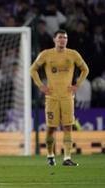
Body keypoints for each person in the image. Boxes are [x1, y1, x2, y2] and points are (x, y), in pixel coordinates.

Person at [30, 29, 89, 166]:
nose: (63, 40)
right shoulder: (46, 54)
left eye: (65, 38)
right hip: (52, 97)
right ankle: (50, 155)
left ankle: (67, 158)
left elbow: (85, 69)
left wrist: (77, 85)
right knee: (51, 128)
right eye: (60, 37)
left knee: (68, 127)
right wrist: (40, 86)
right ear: (54, 39)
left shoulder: (73, 54)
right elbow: (32, 69)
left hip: (68, 97)